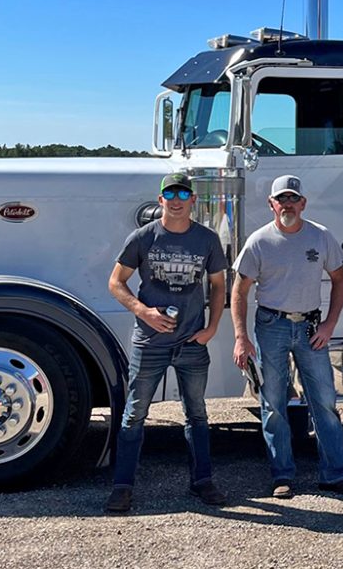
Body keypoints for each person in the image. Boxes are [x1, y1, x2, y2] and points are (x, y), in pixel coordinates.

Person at [105, 172, 228, 512]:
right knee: (134, 414)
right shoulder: (143, 237)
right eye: (170, 194)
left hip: (192, 343)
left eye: (183, 194)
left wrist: (212, 328)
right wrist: (143, 311)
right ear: (160, 200)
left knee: (197, 414)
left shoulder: (207, 239)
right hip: (150, 343)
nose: (176, 200)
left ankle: (202, 481)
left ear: (193, 200)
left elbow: (219, 285)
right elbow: (116, 282)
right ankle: (122, 487)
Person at [231, 174, 343, 499]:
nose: (287, 204)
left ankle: (334, 475)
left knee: (325, 403)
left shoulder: (321, 236)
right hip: (270, 325)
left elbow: (340, 280)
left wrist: (330, 325)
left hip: (310, 328)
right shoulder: (259, 241)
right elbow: (239, 291)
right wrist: (241, 337)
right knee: (273, 404)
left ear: (303, 203)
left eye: (293, 199)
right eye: (281, 199)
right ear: (271, 204)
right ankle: (282, 476)